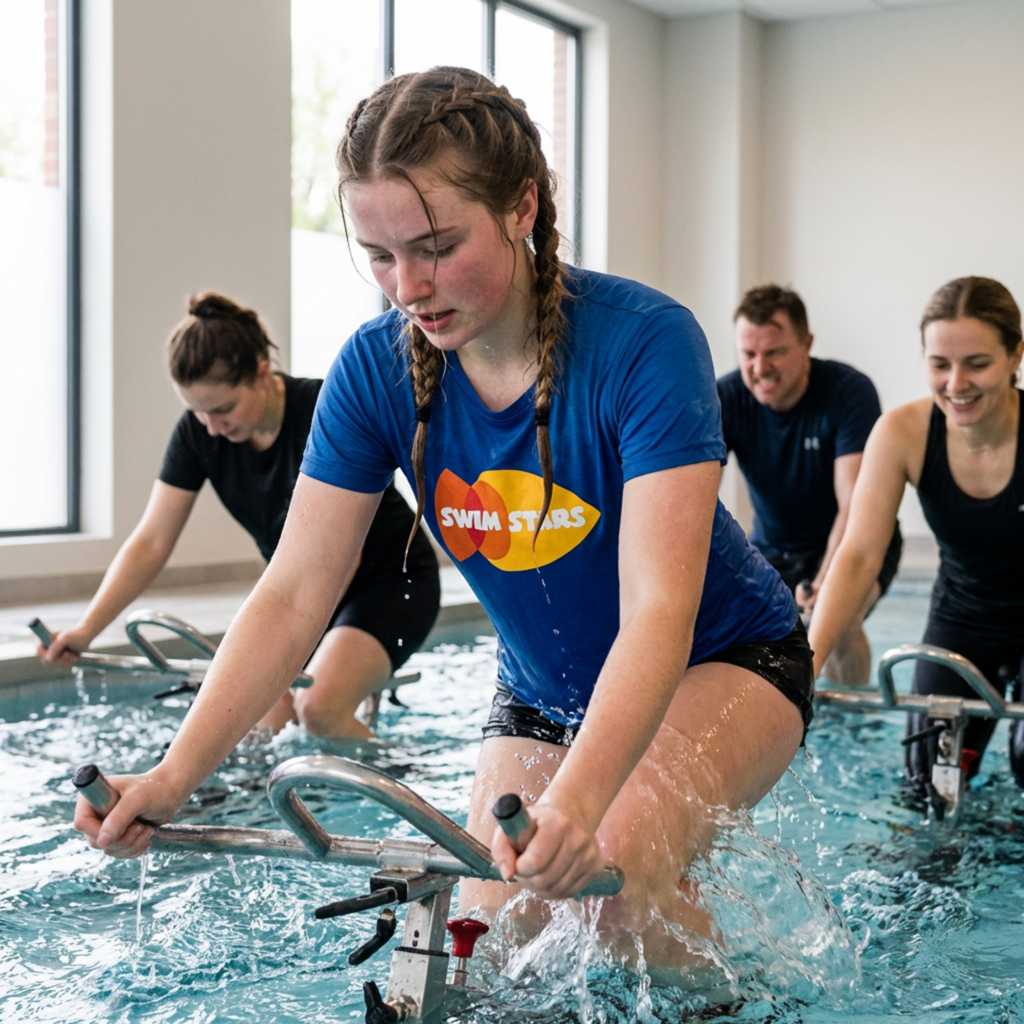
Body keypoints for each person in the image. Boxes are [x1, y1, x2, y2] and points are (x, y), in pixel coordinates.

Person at [74, 67, 812, 970]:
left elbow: (660, 606)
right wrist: (171, 776)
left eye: (434, 246)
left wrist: (578, 803)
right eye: (379, 255)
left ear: (523, 207)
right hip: (542, 690)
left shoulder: (646, 343)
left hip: (725, 658)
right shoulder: (374, 371)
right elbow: (295, 591)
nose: (407, 287)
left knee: (607, 888)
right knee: (480, 946)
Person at [40, 293, 440, 739]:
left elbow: (343, 559)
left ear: (262, 374)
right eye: (197, 412)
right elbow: (152, 541)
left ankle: (405, 791)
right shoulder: (199, 434)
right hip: (305, 591)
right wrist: (87, 628)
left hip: (391, 581)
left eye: (223, 409)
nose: (211, 427)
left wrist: (290, 653)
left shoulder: (323, 411)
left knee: (319, 708)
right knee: (254, 723)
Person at [807, 276, 1024, 795]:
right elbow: (859, 554)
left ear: (1016, 356)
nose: (956, 383)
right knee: (924, 786)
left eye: (977, 363)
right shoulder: (902, 432)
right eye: (940, 364)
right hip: (962, 616)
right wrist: (806, 666)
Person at [718, 284, 902, 686]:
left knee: (838, 619)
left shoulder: (848, 391)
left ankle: (850, 730)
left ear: (807, 344)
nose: (760, 368)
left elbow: (852, 502)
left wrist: (824, 581)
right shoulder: (727, 397)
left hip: (858, 541)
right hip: (772, 548)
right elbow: (695, 495)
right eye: (749, 354)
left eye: (775, 352)